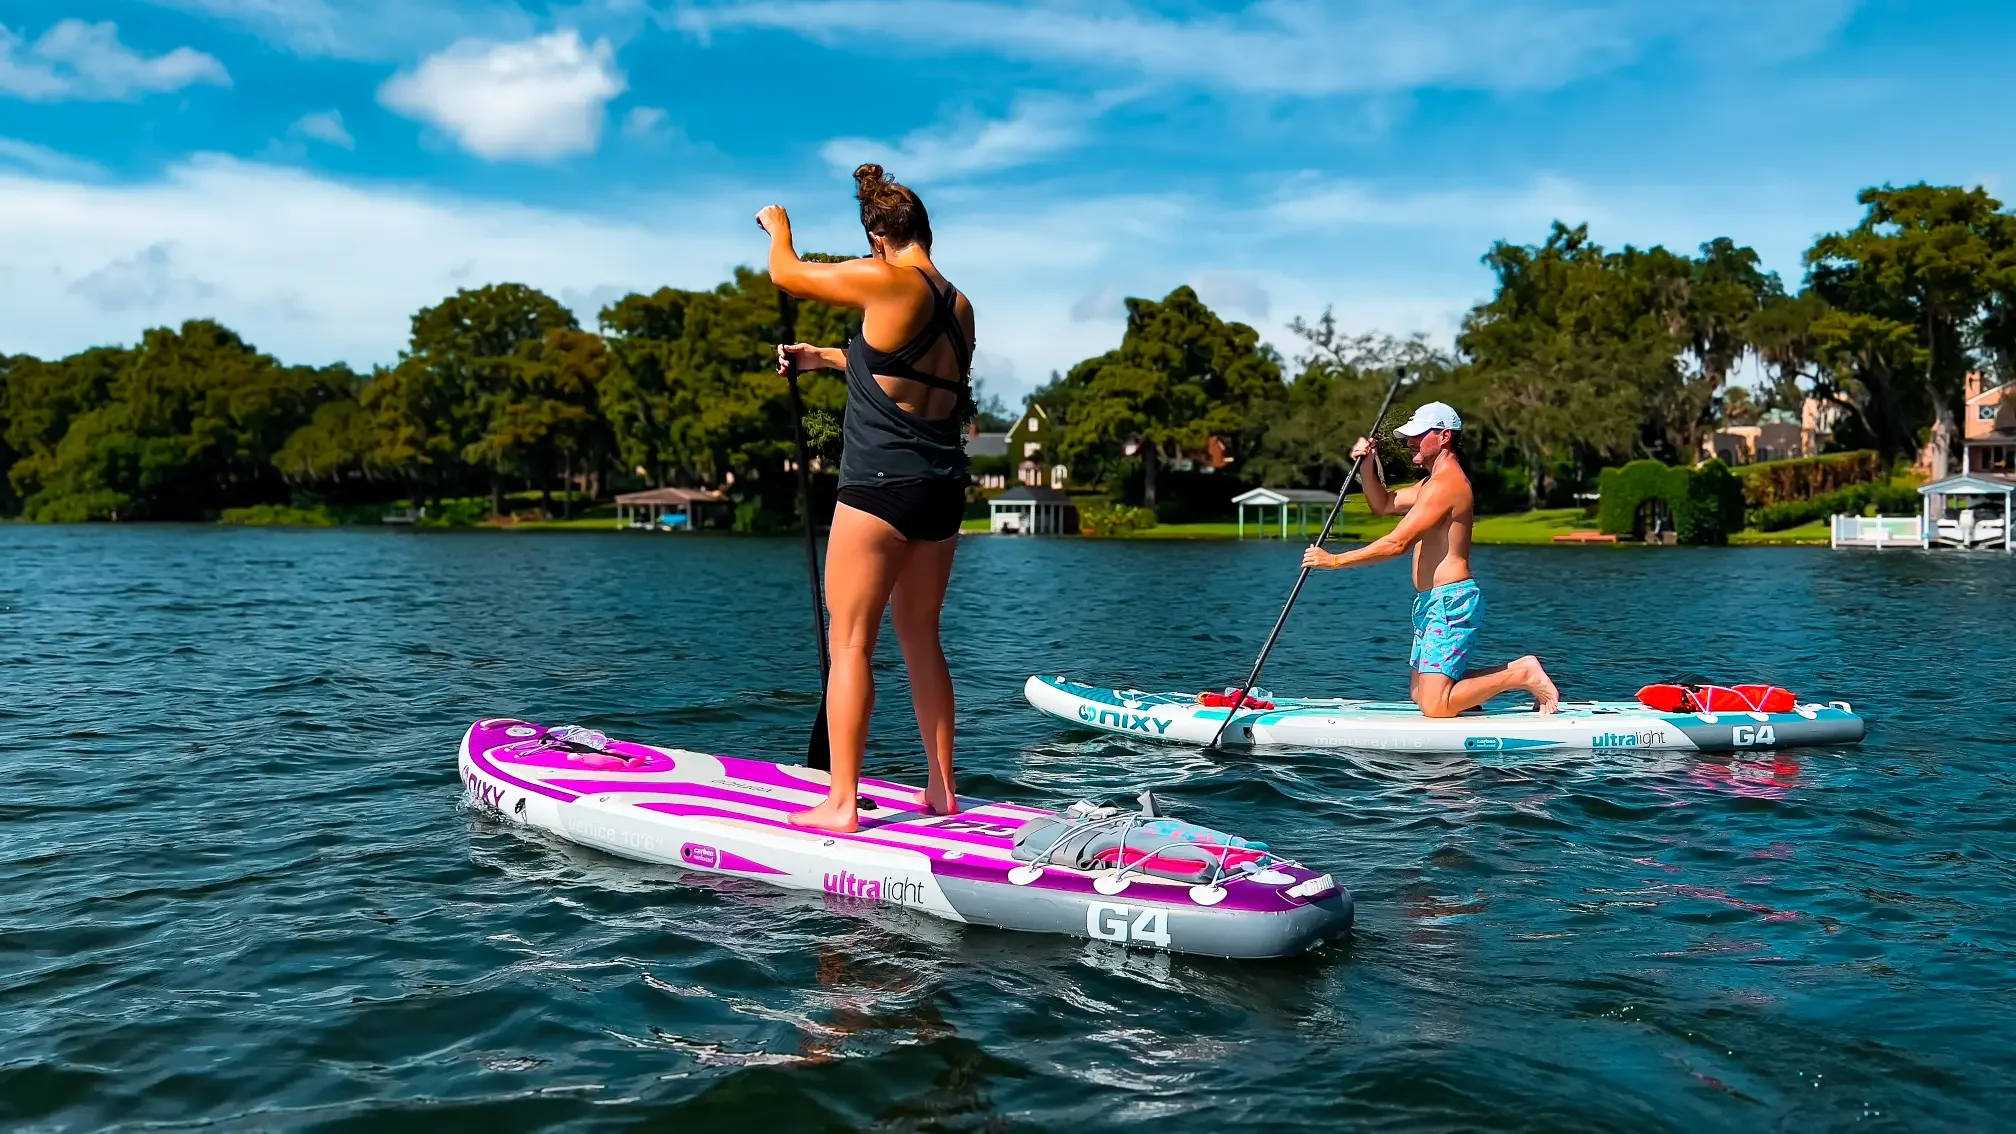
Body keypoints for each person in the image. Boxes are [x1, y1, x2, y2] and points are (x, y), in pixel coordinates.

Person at [756, 163, 974, 833]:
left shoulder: (886, 278)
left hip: (879, 489)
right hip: (941, 491)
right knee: (921, 639)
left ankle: (842, 804)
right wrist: (825, 356)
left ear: (878, 237)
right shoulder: (957, 302)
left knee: (850, 642)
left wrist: (779, 229)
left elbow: (786, 274)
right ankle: (941, 791)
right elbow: (903, 370)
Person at [1301, 401, 1560, 717]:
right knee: (1419, 693)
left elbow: (1397, 543)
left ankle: (1521, 675)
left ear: (1444, 436)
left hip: (1450, 601)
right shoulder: (1428, 485)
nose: (1411, 441)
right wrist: (1368, 463)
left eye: (1419, 434)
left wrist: (1336, 561)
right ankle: (1486, 686)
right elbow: (1382, 504)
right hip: (1430, 602)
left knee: (1434, 705)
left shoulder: (1446, 485)